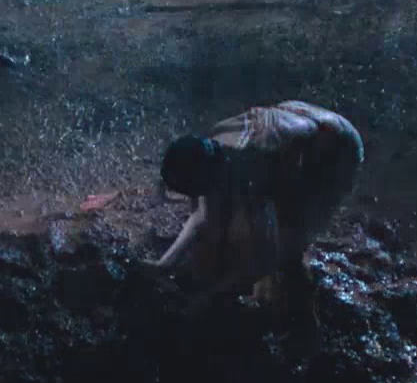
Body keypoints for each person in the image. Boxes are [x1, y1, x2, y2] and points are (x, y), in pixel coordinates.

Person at [153, 101, 364, 311]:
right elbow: (203, 216)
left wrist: (208, 297)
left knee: (287, 247)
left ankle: (302, 311)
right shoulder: (212, 149)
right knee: (240, 225)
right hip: (297, 120)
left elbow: (265, 258)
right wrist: (162, 266)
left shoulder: (251, 167)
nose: (194, 197)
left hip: (338, 146)